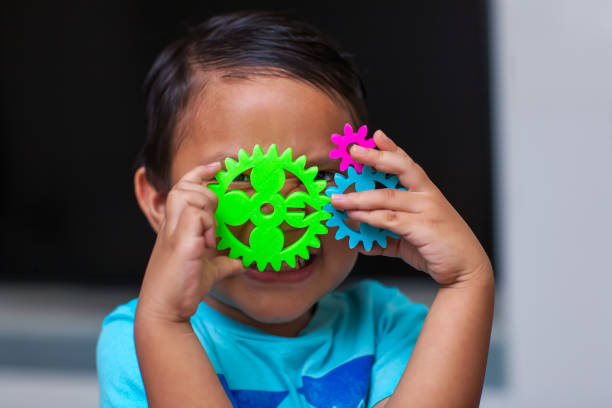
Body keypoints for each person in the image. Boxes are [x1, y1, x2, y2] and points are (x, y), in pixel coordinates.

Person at [96, 11, 494, 408]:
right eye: (241, 178)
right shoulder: (140, 337)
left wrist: (467, 281)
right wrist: (165, 324)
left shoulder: (388, 326)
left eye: (320, 175)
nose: (284, 217)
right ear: (160, 203)